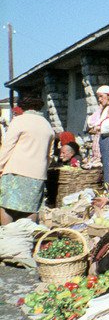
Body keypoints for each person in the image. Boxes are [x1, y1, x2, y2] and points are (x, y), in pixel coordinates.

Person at [0, 95, 55, 225]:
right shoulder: (47, 124)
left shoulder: (19, 121)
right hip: (37, 174)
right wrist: (43, 169)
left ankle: (8, 236)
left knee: (6, 205)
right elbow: (50, 155)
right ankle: (27, 237)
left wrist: (0, 166)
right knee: (31, 208)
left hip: (16, 171)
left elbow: (8, 147)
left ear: (22, 107)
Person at [85, 85, 109, 166]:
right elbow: (90, 124)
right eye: (98, 97)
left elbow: (100, 126)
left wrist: (97, 128)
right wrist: (100, 109)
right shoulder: (102, 110)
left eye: (101, 96)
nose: (99, 100)